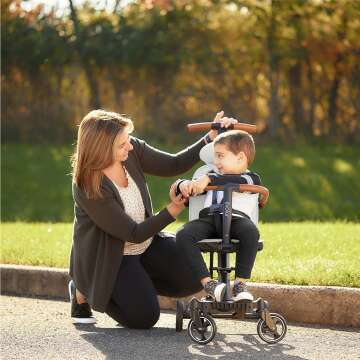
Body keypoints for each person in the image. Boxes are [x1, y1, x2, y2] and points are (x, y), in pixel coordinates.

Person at [68, 108, 238, 327]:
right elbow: (133, 233)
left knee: (193, 274)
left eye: (128, 139)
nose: (130, 145)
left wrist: (210, 138)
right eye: (122, 144)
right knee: (144, 318)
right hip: (112, 257)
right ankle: (85, 288)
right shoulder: (88, 186)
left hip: (146, 244)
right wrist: (172, 210)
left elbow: (173, 165)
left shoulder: (131, 150)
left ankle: (134, 285)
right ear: (101, 149)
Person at [175, 130, 261, 302]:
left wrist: (209, 179)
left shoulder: (251, 178)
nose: (216, 161)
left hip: (237, 220)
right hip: (209, 219)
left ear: (240, 158)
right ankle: (209, 284)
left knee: (251, 232)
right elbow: (191, 188)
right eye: (215, 156)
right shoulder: (207, 177)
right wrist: (183, 184)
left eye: (220, 156)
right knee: (183, 235)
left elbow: (233, 181)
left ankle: (239, 285)